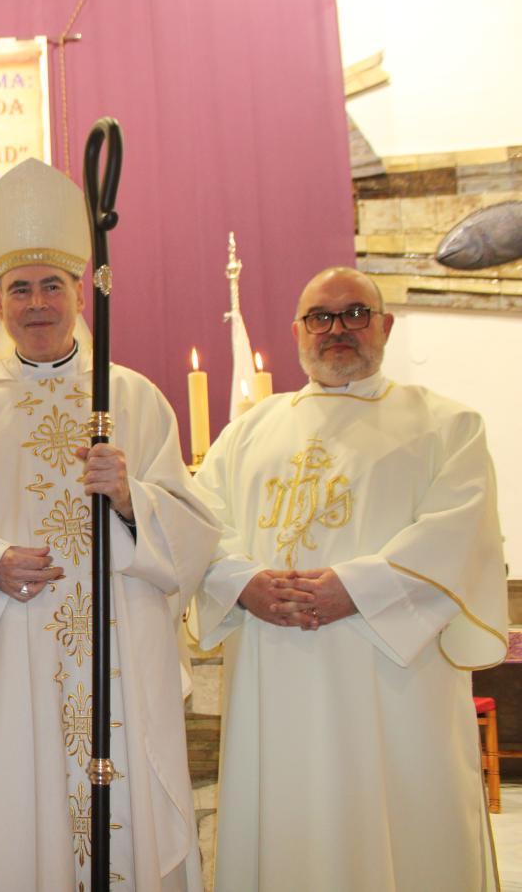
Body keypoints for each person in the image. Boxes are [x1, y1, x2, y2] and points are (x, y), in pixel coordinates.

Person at [0, 158, 219, 890]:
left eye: (53, 284)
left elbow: (194, 531)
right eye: (20, 287)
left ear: (80, 292)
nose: (37, 301)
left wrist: (130, 499)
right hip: (10, 652)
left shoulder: (135, 399)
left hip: (119, 655)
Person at [191, 266, 506, 891]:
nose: (338, 329)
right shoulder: (247, 432)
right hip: (274, 677)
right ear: (297, 333)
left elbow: (460, 533)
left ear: (384, 326)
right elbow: (200, 527)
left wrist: (357, 587)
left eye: (355, 314)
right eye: (321, 317)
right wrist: (244, 582)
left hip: (393, 683)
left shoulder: (447, 425)